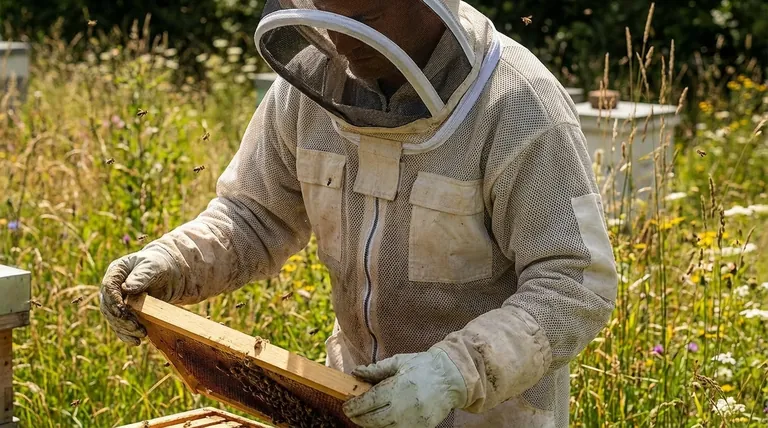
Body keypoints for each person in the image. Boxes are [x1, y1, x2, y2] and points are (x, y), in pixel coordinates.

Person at [99, 0, 618, 427]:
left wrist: (454, 372)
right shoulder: (307, 89)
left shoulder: (519, 107)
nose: (342, 44)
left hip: (489, 415)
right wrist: (171, 262)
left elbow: (574, 283)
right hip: (347, 401)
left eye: (365, 21)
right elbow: (254, 216)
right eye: (329, 17)